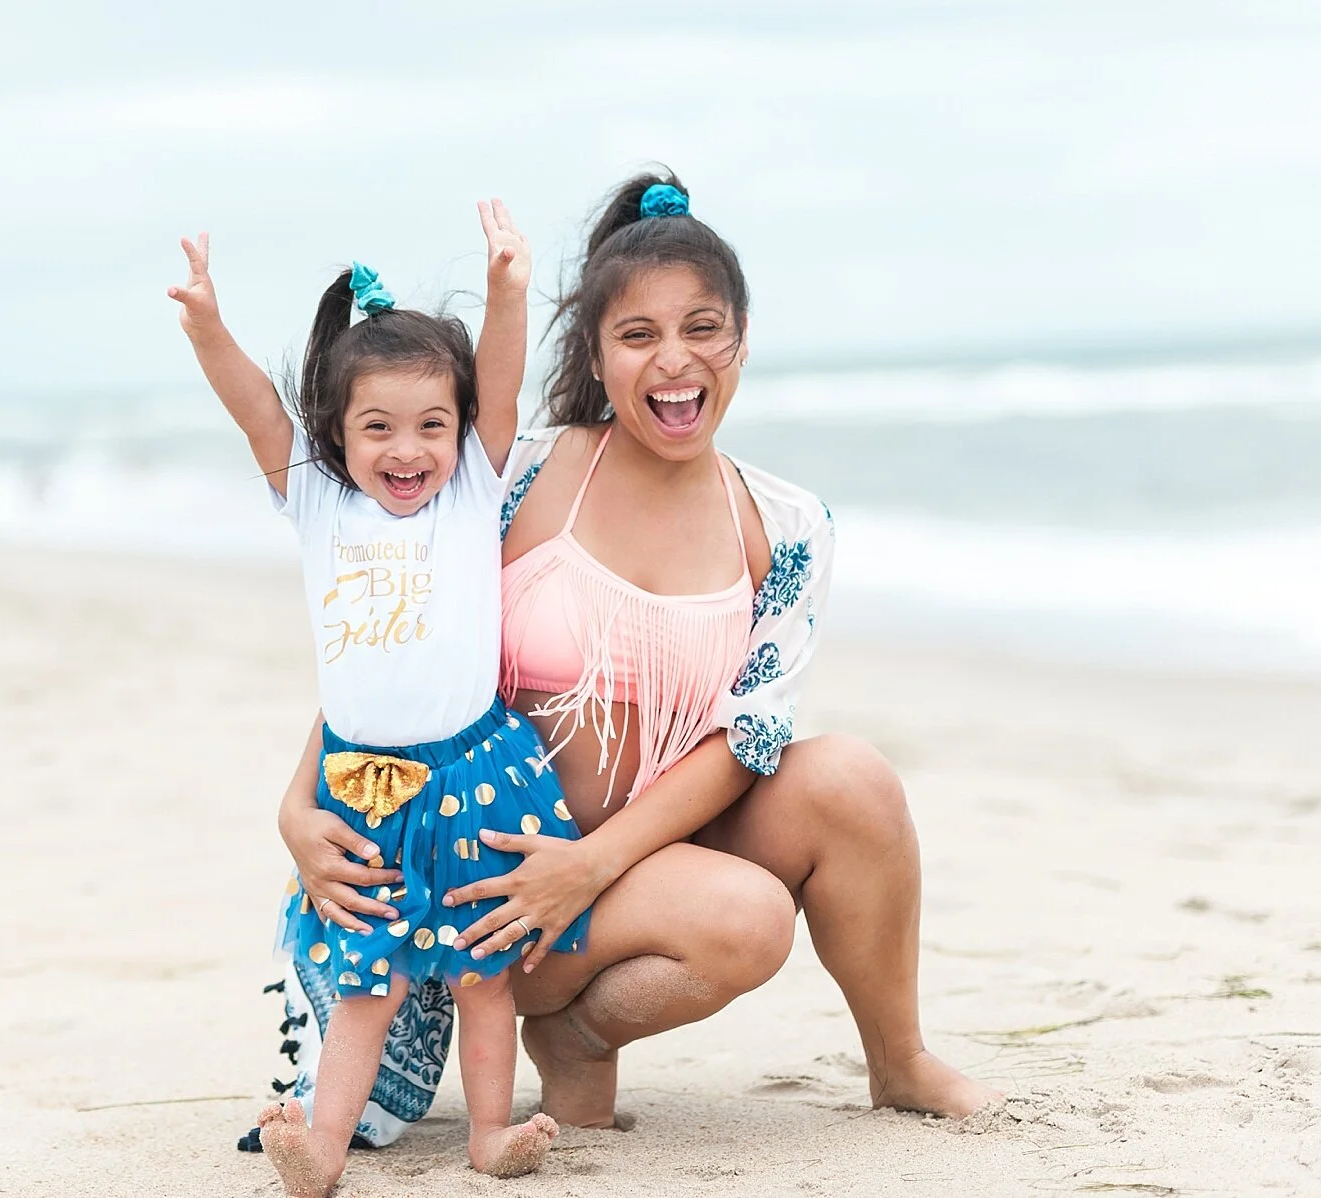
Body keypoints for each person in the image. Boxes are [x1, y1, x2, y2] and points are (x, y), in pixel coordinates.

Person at [271, 171, 1000, 1142]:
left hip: (630, 864)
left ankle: (899, 1060)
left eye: (703, 327)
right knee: (746, 918)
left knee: (854, 782)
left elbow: (754, 733)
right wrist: (297, 800)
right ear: (596, 350)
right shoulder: (511, 475)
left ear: (740, 339)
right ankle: (569, 1035)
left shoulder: (786, 525)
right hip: (496, 878)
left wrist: (596, 861)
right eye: (639, 333)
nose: (675, 361)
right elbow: (392, 638)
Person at [170, 201, 592, 1197]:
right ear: (337, 432)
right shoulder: (315, 497)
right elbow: (255, 410)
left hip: (476, 771)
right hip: (363, 787)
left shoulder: (473, 488)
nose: (409, 450)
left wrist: (504, 290)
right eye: (379, 428)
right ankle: (319, 1149)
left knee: (487, 974)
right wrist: (207, 330)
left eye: (431, 426)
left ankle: (491, 1134)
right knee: (369, 981)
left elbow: (501, 382)